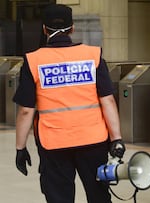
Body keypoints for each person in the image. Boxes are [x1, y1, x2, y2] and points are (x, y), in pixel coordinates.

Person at [13, 4, 125, 203]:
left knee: (59, 197)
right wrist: (116, 138)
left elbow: (25, 111)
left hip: (54, 143)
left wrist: (20, 148)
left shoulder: (33, 61)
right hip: (94, 140)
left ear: (44, 29)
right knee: (98, 196)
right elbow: (107, 99)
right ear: (72, 28)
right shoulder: (93, 55)